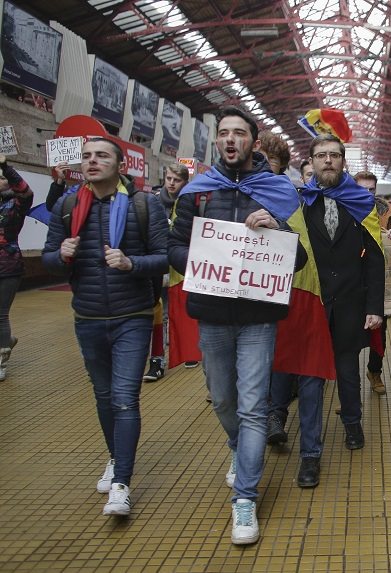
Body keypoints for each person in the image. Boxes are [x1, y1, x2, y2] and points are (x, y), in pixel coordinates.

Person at [169, 106, 308, 545]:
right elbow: (174, 248)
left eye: (239, 133)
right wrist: (204, 258)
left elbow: (299, 258)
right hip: (211, 314)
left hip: (257, 319)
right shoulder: (197, 192)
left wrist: (277, 229)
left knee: (252, 407)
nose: (231, 140)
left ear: (254, 142)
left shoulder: (278, 191)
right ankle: (238, 448)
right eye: (224, 134)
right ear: (217, 142)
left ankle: (244, 497)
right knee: (223, 401)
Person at [42, 138, 169, 516]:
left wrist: (132, 264)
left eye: (101, 156)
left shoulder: (144, 205)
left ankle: (121, 483)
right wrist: (59, 255)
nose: (92, 162)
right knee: (102, 394)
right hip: (88, 317)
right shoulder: (67, 206)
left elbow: (164, 258)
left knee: (125, 398)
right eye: (87, 157)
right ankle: (115, 457)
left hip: (133, 315)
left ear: (119, 164)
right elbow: (50, 258)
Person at [292, 134, 384, 488]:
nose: (328, 160)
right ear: (312, 163)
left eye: (334, 155)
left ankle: (352, 422)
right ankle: (310, 455)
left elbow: (375, 259)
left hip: (350, 303)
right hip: (311, 303)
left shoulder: (361, 202)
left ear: (343, 161)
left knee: (348, 371)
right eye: (321, 156)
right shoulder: (298, 204)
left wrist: (375, 307)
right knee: (310, 379)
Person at [257, 131, 299, 446]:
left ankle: (274, 413)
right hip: (242, 292)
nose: (261, 165)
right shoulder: (235, 191)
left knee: (278, 352)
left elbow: (300, 247)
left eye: (268, 160)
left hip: (280, 287)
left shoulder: (288, 197)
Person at [143, 162, 190, 382]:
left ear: (184, 182)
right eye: (169, 178)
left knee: (179, 310)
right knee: (159, 313)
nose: (171, 183)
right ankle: (158, 361)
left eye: (177, 180)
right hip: (158, 264)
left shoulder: (189, 203)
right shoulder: (151, 202)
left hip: (181, 268)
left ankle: (187, 348)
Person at [354, 169, 391, 395]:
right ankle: (349, 389)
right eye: (362, 189)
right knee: (349, 338)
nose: (367, 194)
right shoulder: (345, 208)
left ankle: (374, 371)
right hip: (351, 283)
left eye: (371, 189)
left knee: (379, 333)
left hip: (378, 283)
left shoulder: (386, 212)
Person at [0, 155, 34, 380]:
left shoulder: (17, 202)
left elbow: (25, 190)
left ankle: (1, 360)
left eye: (2, 177)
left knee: (0, 315)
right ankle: (7, 341)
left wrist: (5, 165)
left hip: (8, 266)